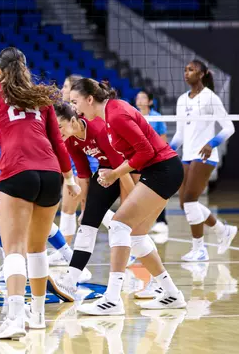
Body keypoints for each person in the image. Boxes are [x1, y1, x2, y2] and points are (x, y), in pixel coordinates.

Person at [0, 47, 80, 339]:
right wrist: (69, 179)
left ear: (0, 71)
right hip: (50, 174)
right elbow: (58, 143)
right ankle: (36, 316)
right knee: (37, 249)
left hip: (17, 171)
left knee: (14, 250)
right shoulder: (42, 97)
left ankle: (14, 319)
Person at [67, 78, 186, 315]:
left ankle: (112, 299)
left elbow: (147, 151)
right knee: (137, 237)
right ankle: (171, 293)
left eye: (75, 102)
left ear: (90, 99)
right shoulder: (109, 113)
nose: (74, 109)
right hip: (159, 171)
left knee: (119, 225)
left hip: (163, 170)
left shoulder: (116, 114)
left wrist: (114, 174)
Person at [48, 102, 170, 302]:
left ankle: (158, 283)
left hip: (132, 169)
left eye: (59, 127)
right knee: (87, 226)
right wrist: (85, 207)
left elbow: (121, 167)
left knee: (134, 232)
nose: (57, 132)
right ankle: (70, 282)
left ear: (72, 121)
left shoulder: (97, 129)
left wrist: (134, 202)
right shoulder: (70, 141)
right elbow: (84, 175)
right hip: (108, 171)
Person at [0, 64, 88, 281]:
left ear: (5, 74)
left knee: (29, 228)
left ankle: (21, 270)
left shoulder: (8, 98)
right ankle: (65, 264)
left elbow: (35, 138)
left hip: (26, 167)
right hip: (25, 165)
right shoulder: (9, 97)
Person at [171, 60, 237, 261]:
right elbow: (180, 134)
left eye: (190, 70)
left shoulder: (210, 98)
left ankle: (199, 249)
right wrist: (167, 152)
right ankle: (222, 230)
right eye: (185, 69)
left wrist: (212, 143)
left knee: (190, 200)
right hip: (188, 156)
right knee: (184, 204)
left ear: (201, 74)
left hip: (205, 156)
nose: (186, 73)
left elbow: (229, 127)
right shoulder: (182, 100)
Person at [59, 75, 100, 241]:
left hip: (87, 165)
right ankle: (64, 250)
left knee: (88, 210)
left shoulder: (81, 115)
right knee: (67, 208)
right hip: (73, 163)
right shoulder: (64, 112)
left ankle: (132, 241)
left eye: (66, 86)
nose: (62, 90)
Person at [136, 90, 169, 240]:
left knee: (157, 190)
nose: (140, 100)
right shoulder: (134, 115)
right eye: (138, 98)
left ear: (149, 101)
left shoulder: (156, 117)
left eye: (143, 97)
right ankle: (142, 219)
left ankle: (161, 221)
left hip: (154, 158)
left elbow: (163, 138)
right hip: (138, 158)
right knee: (139, 191)